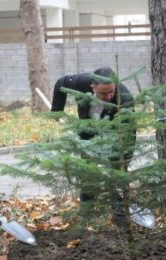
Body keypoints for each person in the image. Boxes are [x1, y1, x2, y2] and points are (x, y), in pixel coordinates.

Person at [51, 66, 135, 221]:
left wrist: (120, 165)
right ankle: (87, 213)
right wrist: (57, 110)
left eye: (111, 91)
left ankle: (121, 216)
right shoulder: (80, 82)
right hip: (87, 128)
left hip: (112, 136)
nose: (109, 96)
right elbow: (60, 84)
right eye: (104, 93)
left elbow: (128, 137)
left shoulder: (125, 99)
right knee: (87, 171)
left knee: (114, 176)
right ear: (93, 87)